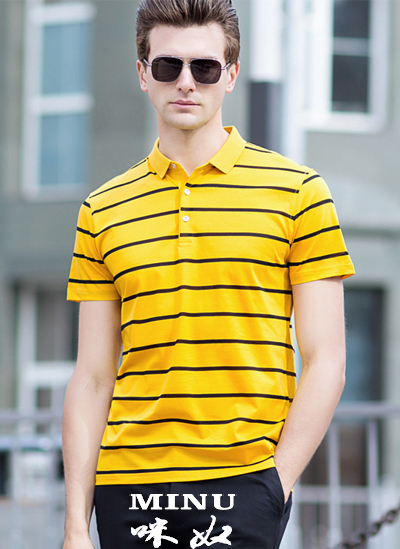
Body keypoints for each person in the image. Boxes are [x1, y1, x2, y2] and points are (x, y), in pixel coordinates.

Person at [62, 0, 355, 547]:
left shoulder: (299, 193)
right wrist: (76, 523)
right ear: (143, 74)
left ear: (231, 75)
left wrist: (276, 483)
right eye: (168, 66)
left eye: (205, 67)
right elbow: (93, 377)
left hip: (244, 483)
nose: (186, 82)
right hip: (128, 486)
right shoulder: (102, 209)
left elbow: (327, 361)